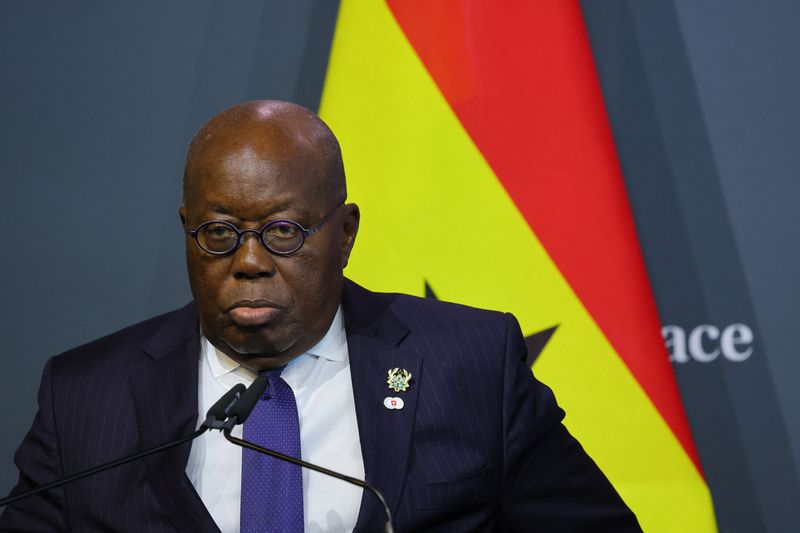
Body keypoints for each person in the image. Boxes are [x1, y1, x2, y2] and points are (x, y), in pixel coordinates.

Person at [0, 101, 641, 532]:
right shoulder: (85, 396)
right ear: (186, 232)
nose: (248, 261)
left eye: (283, 231)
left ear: (346, 233)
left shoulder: (470, 364)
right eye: (219, 232)